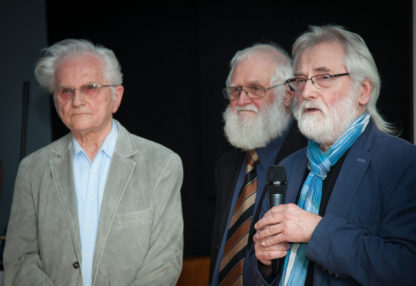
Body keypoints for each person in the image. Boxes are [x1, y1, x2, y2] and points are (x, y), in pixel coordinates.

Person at [3, 39, 184, 286]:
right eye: (66, 90)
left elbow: (164, 262)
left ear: (116, 96)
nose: (76, 100)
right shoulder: (32, 170)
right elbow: (19, 259)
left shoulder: (161, 164)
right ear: (56, 101)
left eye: (90, 87)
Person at [254, 25, 416, 285]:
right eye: (301, 80)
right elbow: (267, 272)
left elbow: (406, 267)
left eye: (324, 77)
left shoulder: (402, 162)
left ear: (363, 90)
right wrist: (263, 262)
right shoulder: (287, 167)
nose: (306, 92)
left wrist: (316, 231)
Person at [209, 43, 307, 286]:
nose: (243, 100)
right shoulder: (226, 165)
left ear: (288, 94)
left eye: (255, 89)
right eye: (235, 91)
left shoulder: (307, 159)